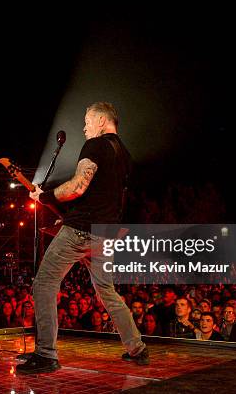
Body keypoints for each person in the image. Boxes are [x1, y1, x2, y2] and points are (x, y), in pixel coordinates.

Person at [17, 102, 147, 374]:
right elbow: (104, 197)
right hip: (107, 234)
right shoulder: (125, 154)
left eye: (87, 120)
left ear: (101, 121)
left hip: (81, 232)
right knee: (106, 291)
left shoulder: (95, 146)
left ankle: (46, 354)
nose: (84, 127)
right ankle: (137, 348)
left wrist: (45, 195)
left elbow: (78, 186)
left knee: (44, 284)